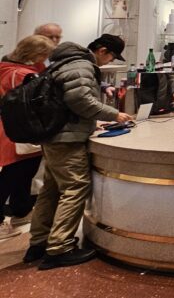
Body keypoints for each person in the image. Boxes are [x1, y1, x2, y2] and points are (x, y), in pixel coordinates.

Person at [27, 34, 133, 270]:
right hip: (67, 138)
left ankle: (39, 242)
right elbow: (80, 100)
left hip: (54, 135)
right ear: (102, 50)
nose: (109, 62)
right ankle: (60, 248)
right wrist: (114, 115)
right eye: (111, 56)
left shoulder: (64, 62)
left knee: (52, 189)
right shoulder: (83, 65)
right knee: (75, 187)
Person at [0, 35, 56, 241]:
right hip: (20, 131)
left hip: (11, 128)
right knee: (12, 175)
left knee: (22, 173)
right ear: (36, 55)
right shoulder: (24, 75)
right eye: (45, 55)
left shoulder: (6, 68)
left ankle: (20, 211)